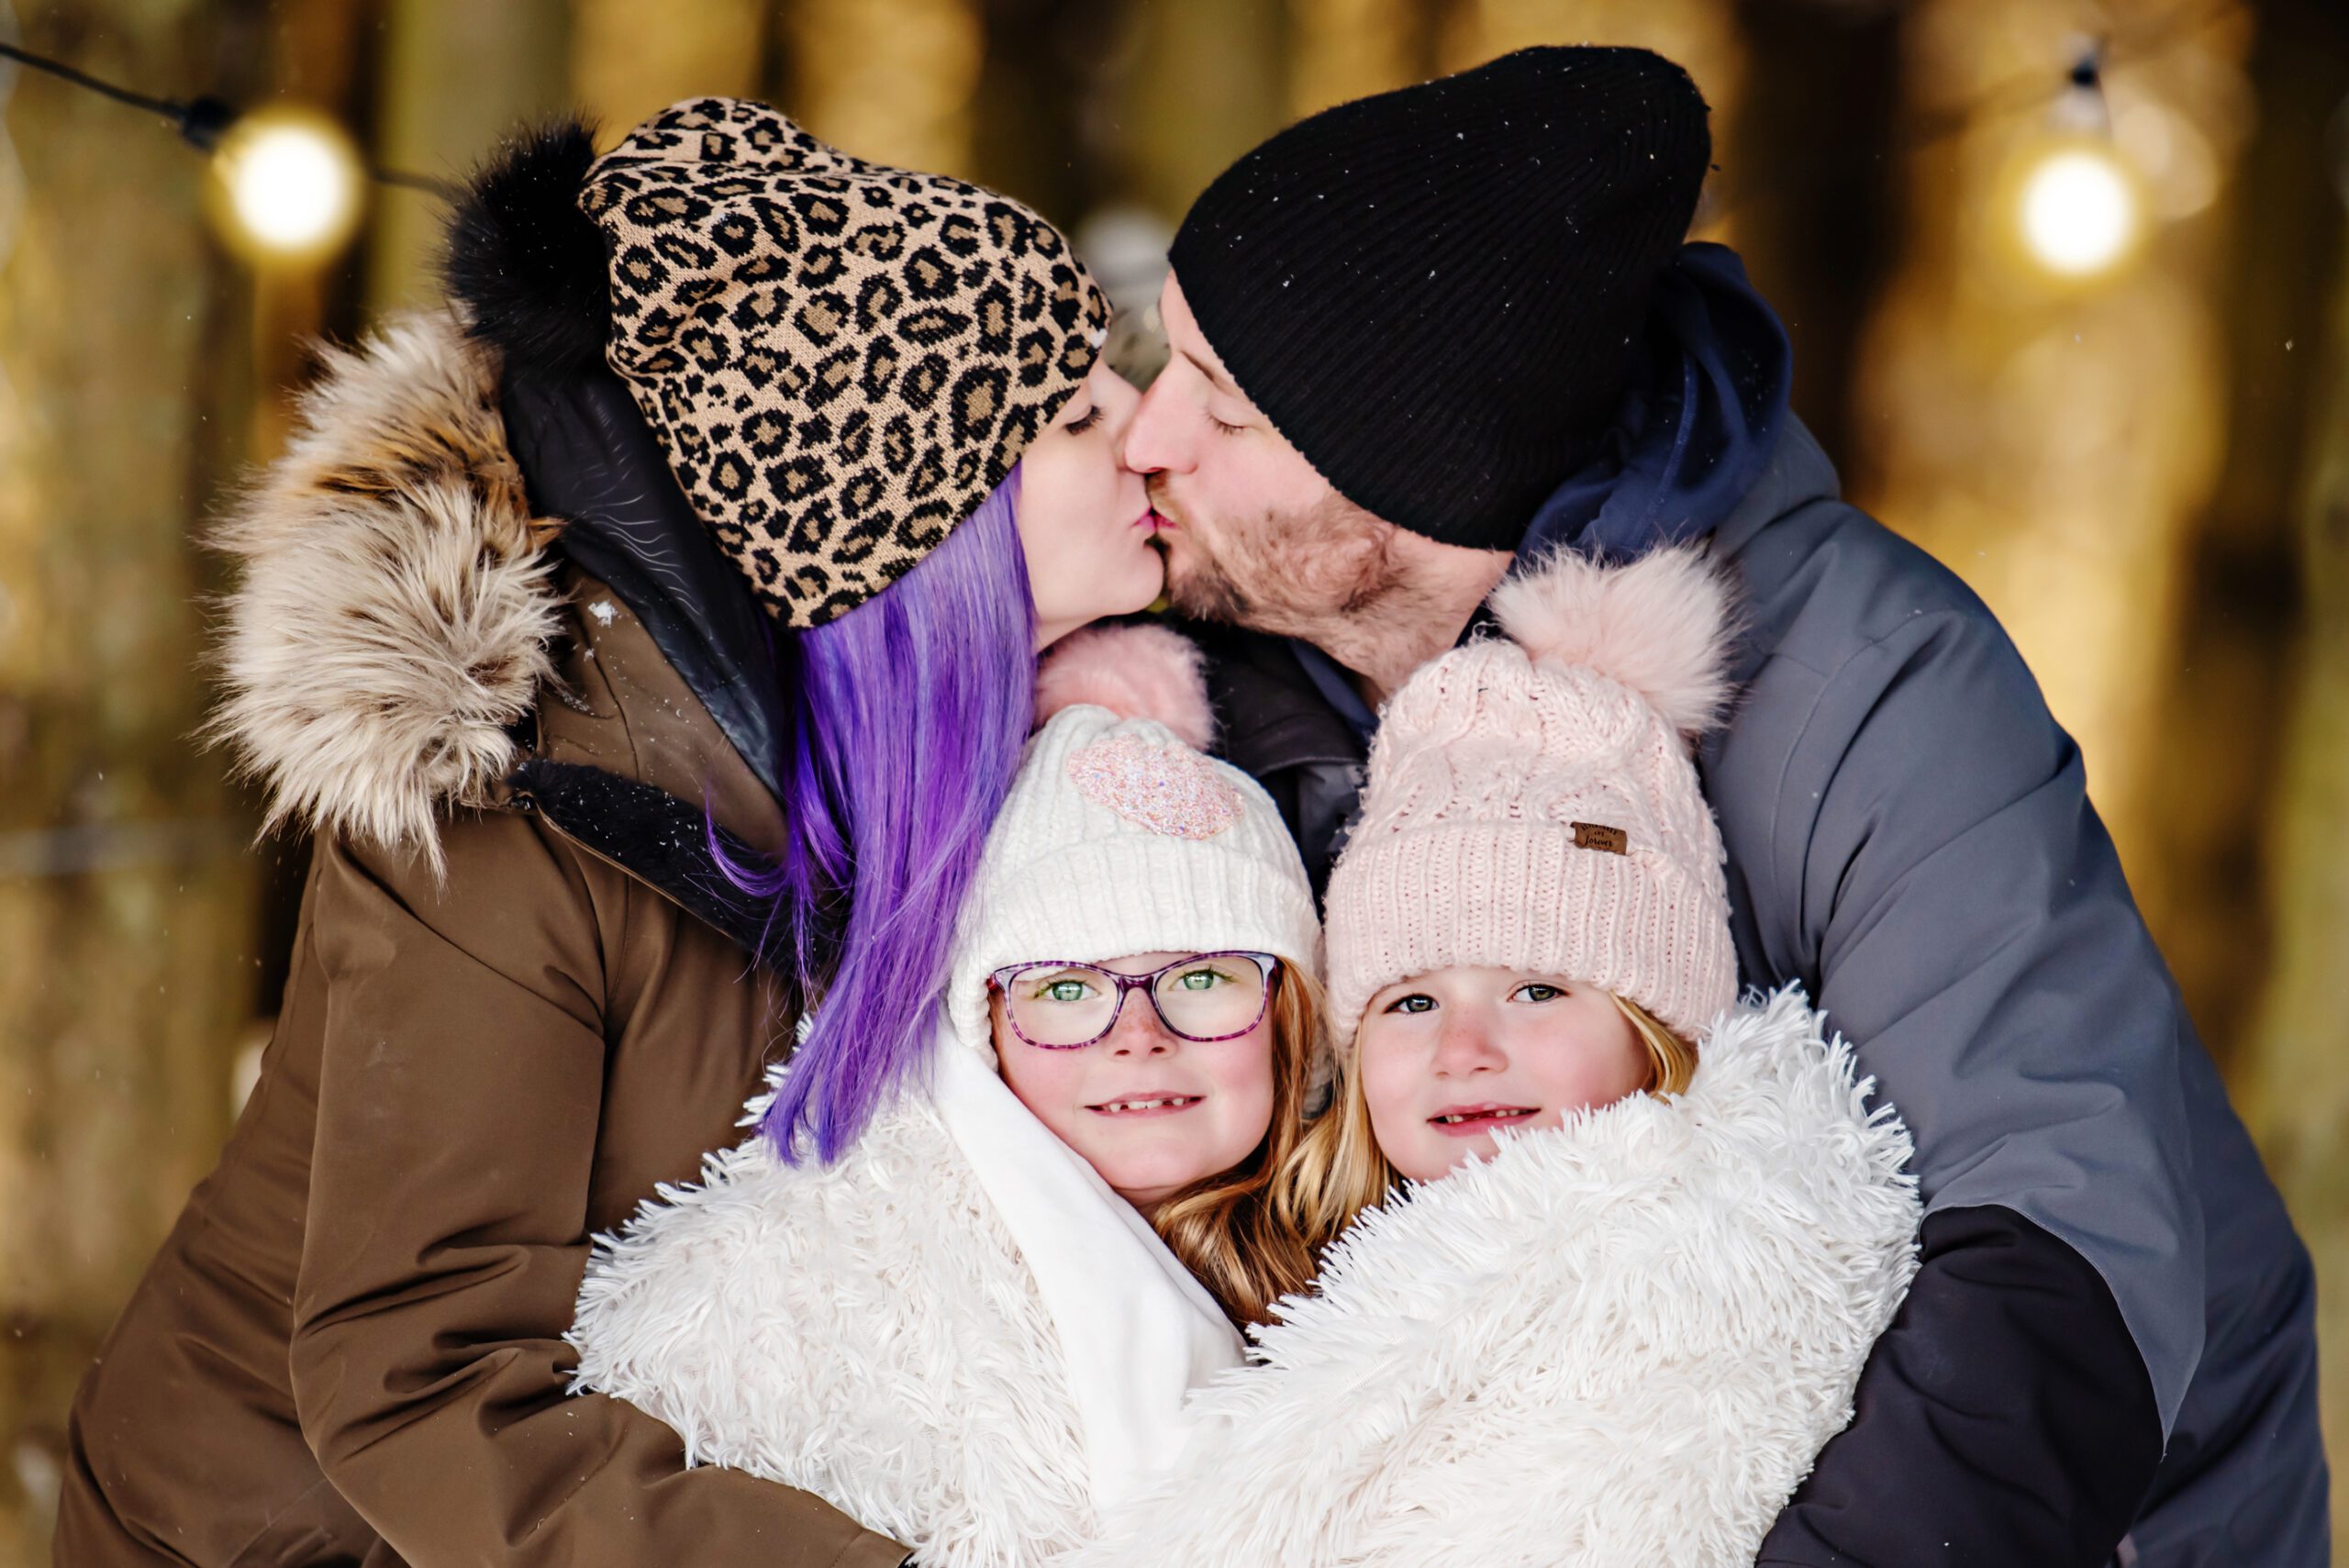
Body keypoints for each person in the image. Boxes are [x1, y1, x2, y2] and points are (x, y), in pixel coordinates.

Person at [1121, 45, 2327, 1566]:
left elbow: (2066, 1240)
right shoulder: (1226, 682)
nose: (1147, 439)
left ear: (1414, 479)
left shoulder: (1865, 681)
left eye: (1223, 409)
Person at [60, 98, 1162, 1567]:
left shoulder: (1016, 761)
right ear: (917, 525)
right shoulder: (515, 840)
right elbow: (418, 1385)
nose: (1147, 432)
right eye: (1078, 416)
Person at [1065, 546, 1920, 1568]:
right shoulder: (1296, 1271)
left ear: (1658, 1031)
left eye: (1538, 990)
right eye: (1412, 999)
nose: (1465, 1050)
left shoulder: (1720, 1261)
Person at [567, 625, 1324, 1568]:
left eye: (1204, 975)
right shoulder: (822, 1294)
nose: (1139, 1032)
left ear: (1294, 1015)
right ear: (987, 1034)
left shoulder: (1378, 1274)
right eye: (1065, 987)